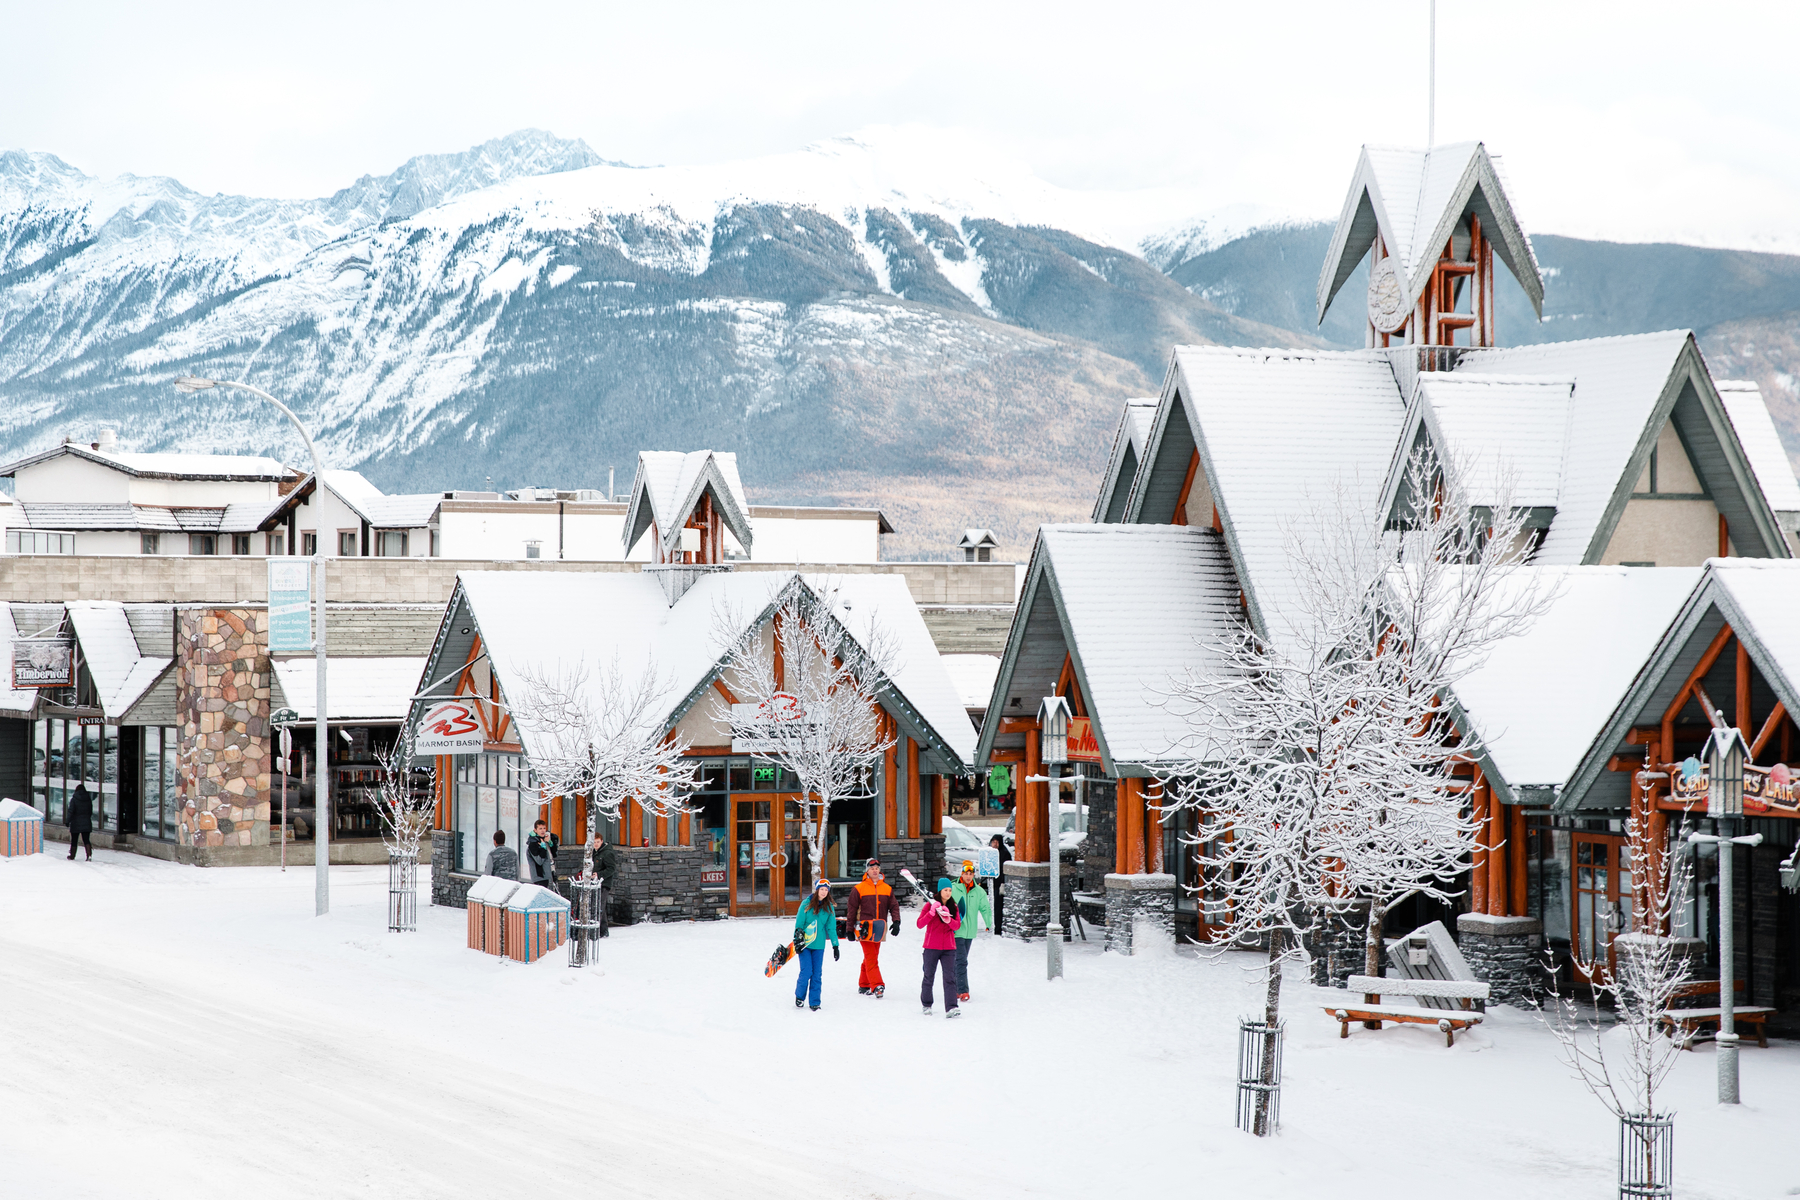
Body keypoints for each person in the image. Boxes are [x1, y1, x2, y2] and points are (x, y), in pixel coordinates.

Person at [846, 858, 901, 997]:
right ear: (867, 871)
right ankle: (877, 985)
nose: (875, 870)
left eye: (877, 868)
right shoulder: (858, 889)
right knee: (871, 957)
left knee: (871, 957)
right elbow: (851, 909)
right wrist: (849, 929)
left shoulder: (887, 888)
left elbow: (894, 906)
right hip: (864, 929)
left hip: (879, 927)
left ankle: (864, 984)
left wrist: (896, 922)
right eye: (872, 868)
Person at [791, 878, 840, 1012]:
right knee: (806, 971)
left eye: (826, 890)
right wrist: (798, 938)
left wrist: (835, 946)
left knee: (817, 974)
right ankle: (799, 996)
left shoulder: (828, 907)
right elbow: (799, 924)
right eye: (822, 889)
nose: (824, 892)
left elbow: (831, 928)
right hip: (805, 945)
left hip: (819, 946)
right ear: (817, 890)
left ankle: (815, 1002)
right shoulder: (806, 904)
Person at [918, 877, 963, 1018]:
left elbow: (957, 925)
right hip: (931, 947)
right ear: (940, 890)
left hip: (949, 948)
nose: (948, 893)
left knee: (950, 977)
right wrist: (932, 913)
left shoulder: (953, 906)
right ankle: (926, 1004)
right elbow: (919, 924)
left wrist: (948, 920)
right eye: (945, 890)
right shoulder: (930, 905)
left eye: (950, 890)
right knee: (928, 976)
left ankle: (951, 1007)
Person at [950, 859, 993, 1002]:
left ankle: (954, 986)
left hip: (970, 931)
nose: (968, 876)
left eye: (971, 873)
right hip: (957, 929)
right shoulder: (953, 888)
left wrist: (988, 922)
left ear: (974, 875)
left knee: (960, 960)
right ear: (961, 874)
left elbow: (985, 908)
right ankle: (962, 990)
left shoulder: (979, 891)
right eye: (966, 873)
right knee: (961, 960)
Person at [589, 830, 619, 935]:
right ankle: (603, 930)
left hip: (604, 883)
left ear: (602, 841)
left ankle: (597, 930)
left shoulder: (607, 853)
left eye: (598, 842)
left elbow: (611, 868)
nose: (596, 844)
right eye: (594, 842)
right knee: (599, 905)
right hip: (594, 882)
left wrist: (599, 875)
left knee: (599, 906)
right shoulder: (593, 852)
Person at [526, 819, 559, 889]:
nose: (543, 830)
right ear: (535, 830)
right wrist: (543, 848)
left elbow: (554, 855)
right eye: (540, 828)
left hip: (549, 874)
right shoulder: (533, 844)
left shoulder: (544, 840)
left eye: (544, 828)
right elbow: (539, 861)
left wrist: (551, 843)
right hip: (539, 877)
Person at [989, 834, 1011, 932]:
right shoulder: (991, 853)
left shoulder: (1004, 853)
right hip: (992, 883)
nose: (995, 844)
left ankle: (998, 928)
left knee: (998, 906)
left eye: (997, 842)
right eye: (993, 842)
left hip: (1000, 883)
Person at [66, 783, 94, 861]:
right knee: (86, 840)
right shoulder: (88, 798)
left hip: (75, 823)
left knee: (74, 840)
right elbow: (90, 811)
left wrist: (68, 821)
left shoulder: (74, 799)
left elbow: (71, 811)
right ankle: (89, 855)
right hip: (86, 822)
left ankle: (72, 855)